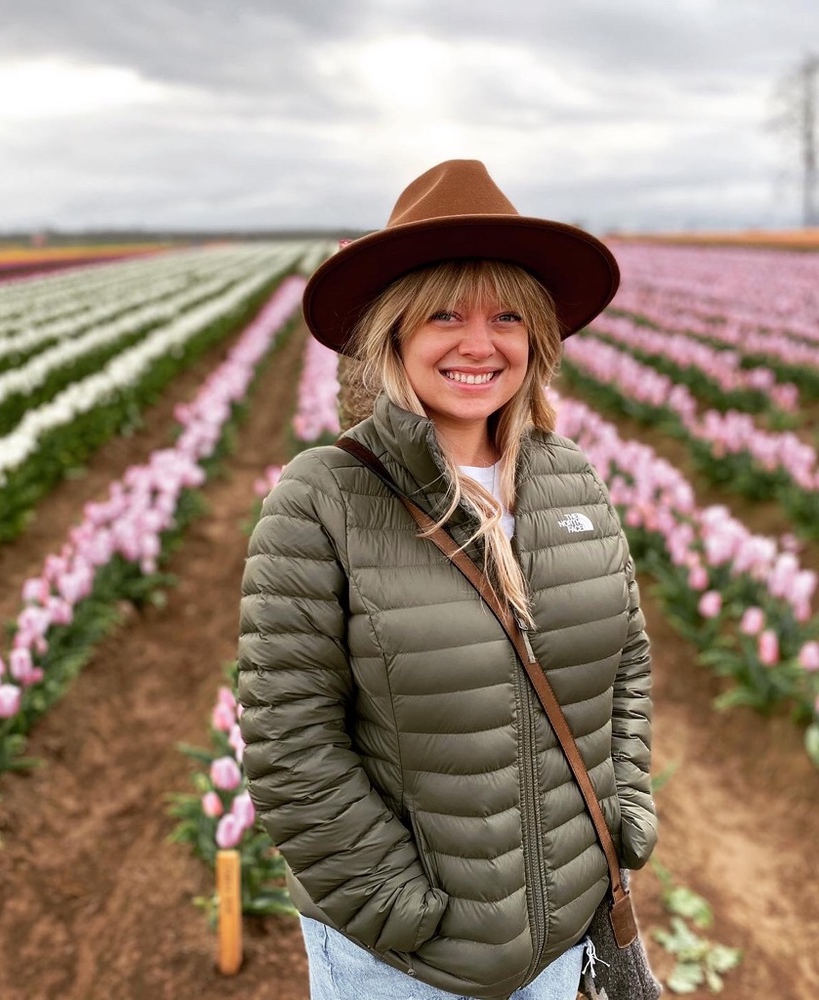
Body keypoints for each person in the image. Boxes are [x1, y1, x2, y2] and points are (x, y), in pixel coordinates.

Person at [238, 159, 657, 1000]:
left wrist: (627, 814)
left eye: (508, 314)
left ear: (536, 336)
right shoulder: (323, 498)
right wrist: (401, 909)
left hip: (559, 938)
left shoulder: (570, 477)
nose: (480, 343)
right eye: (444, 314)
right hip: (405, 963)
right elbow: (290, 740)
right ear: (393, 332)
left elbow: (627, 666)